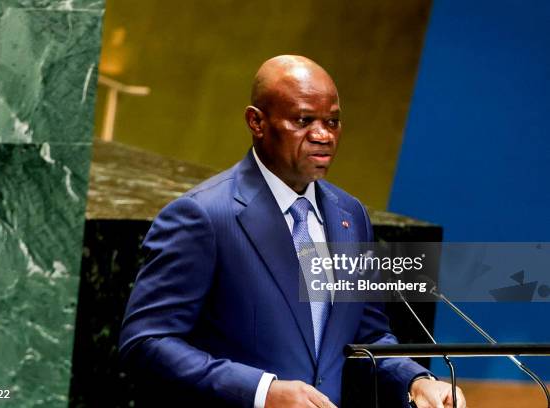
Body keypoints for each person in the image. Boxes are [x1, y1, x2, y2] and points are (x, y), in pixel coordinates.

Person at [119, 55, 466, 408]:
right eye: (304, 120)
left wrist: (416, 380)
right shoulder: (204, 216)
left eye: (333, 122)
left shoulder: (350, 216)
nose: (323, 135)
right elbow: (147, 341)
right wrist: (262, 391)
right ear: (256, 121)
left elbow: (368, 334)